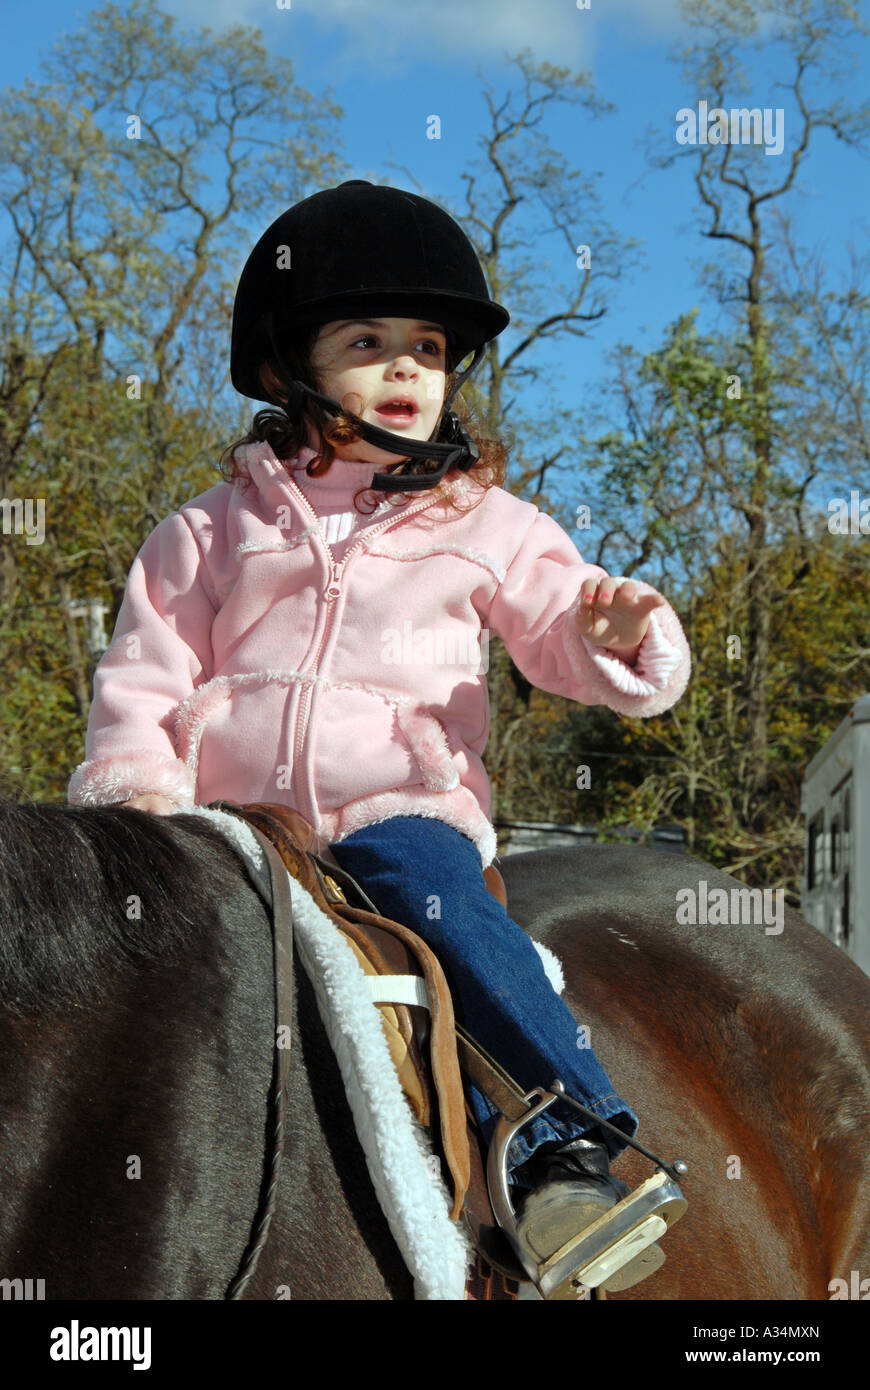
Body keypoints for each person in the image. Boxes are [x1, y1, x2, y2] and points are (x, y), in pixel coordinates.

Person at [68, 180, 692, 1295]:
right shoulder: (208, 531)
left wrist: (615, 630)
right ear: (291, 365)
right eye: (370, 341)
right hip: (230, 830)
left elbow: (556, 621)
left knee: (427, 889)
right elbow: (145, 679)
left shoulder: (483, 521)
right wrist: (140, 814)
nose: (407, 368)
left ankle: (569, 1142)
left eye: (429, 347)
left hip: (394, 811)